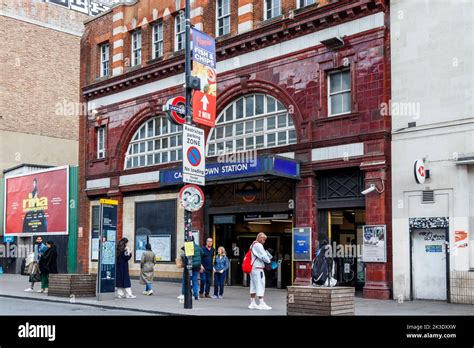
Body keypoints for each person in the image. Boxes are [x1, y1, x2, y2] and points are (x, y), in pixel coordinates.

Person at [248, 233, 272, 310]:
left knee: (253, 285)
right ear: (258, 237)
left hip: (253, 268)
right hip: (258, 268)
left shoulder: (252, 245)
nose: (263, 241)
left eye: (264, 239)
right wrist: (268, 260)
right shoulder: (258, 245)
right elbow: (264, 257)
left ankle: (252, 303)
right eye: (262, 238)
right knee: (260, 284)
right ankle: (261, 303)